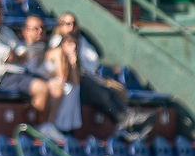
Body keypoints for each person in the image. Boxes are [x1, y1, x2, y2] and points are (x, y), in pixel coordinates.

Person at [49, 12, 153, 140]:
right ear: (59, 25)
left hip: (83, 79)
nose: (70, 27)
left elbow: (93, 61)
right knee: (101, 94)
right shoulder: (56, 43)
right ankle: (126, 121)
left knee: (112, 91)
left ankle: (127, 122)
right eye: (66, 23)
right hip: (71, 83)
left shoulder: (79, 40)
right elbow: (63, 72)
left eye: (73, 23)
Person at [0, 0, 54, 127]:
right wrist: (16, 55)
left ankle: (48, 126)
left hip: (16, 72)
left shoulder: (5, 30)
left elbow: (21, 52)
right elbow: (11, 57)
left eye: (0, 13)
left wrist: (16, 55)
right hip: (0, 77)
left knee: (54, 85)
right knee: (41, 88)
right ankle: (41, 128)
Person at [40, 31, 82, 140]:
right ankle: (53, 125)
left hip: (54, 83)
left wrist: (73, 64)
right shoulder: (57, 52)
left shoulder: (69, 56)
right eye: (70, 43)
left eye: (75, 44)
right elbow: (62, 76)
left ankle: (65, 126)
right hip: (42, 80)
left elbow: (76, 81)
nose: (73, 47)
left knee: (74, 88)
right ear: (63, 43)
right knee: (67, 88)